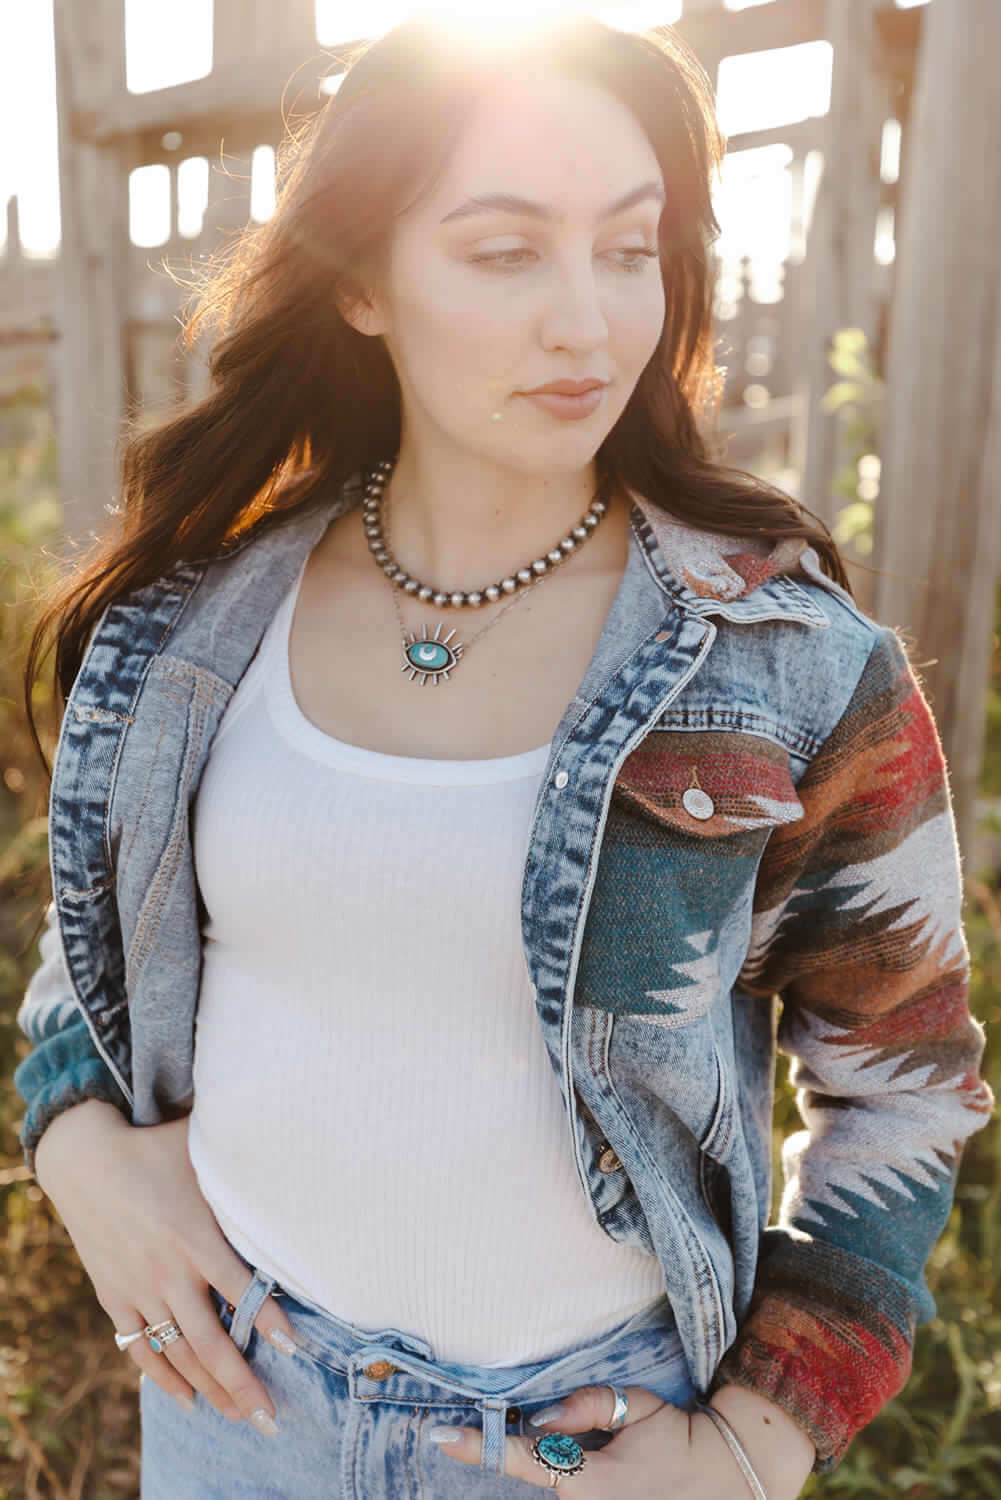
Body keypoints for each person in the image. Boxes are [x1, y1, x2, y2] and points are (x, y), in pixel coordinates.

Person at [12, 10, 993, 1499]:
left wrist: (756, 1442)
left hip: (585, 1445)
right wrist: (78, 1149)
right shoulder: (193, 625)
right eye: (505, 251)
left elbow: (904, 1083)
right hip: (237, 1406)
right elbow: (94, 950)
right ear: (359, 281)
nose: (588, 323)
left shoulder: (787, 664)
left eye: (627, 249)